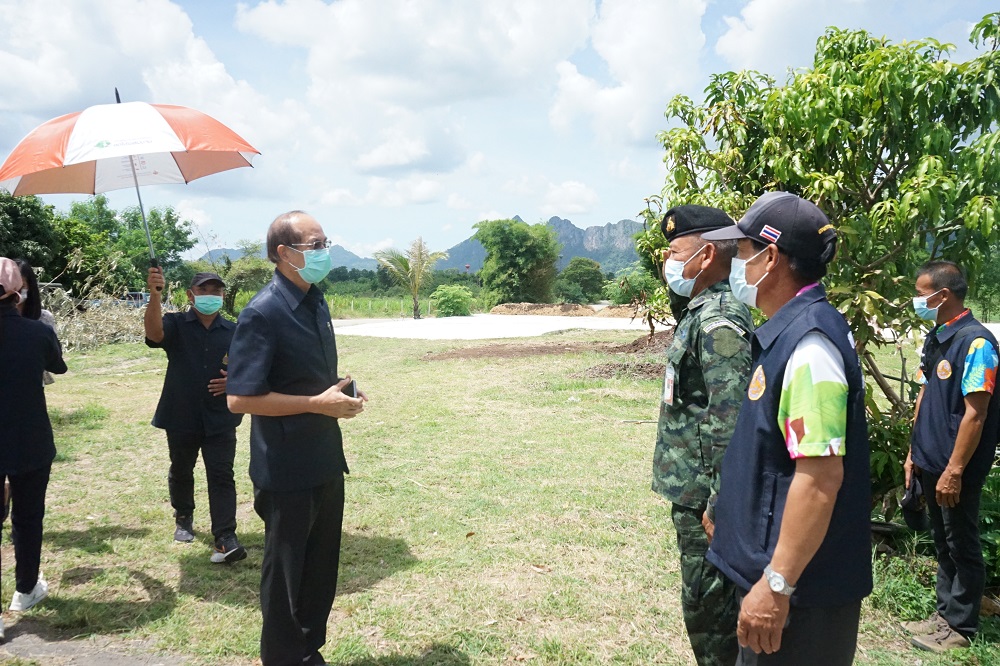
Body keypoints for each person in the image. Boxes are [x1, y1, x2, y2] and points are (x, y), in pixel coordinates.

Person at [701, 192, 872, 665]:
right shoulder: (790, 332)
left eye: (742, 251)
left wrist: (776, 585)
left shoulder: (810, 348)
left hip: (797, 598)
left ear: (771, 257)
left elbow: (819, 478)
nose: (736, 264)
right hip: (778, 579)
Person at [226, 210, 366, 666]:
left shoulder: (315, 300)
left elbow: (308, 378)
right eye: (315, 245)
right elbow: (240, 399)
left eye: (326, 243)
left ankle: (308, 652)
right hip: (285, 467)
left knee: (320, 569)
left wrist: (342, 393)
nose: (324, 252)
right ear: (284, 253)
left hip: (324, 457)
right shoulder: (262, 312)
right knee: (286, 577)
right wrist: (315, 404)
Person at [652, 205, 752, 666]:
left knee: (710, 612)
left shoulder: (719, 322)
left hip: (705, 499)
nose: (668, 262)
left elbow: (730, 419)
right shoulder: (701, 309)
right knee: (705, 605)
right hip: (693, 491)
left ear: (706, 255)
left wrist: (720, 503)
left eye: (674, 253)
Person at [901, 260, 999, 653]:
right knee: (942, 541)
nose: (916, 301)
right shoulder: (938, 337)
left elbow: (976, 414)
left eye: (920, 294)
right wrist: (914, 452)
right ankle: (944, 614)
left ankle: (960, 627)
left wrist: (955, 470)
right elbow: (926, 394)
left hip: (956, 466)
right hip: (930, 459)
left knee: (961, 543)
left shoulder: (976, 344)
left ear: (943, 295)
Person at [144, 268, 246, 563]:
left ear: (223, 295)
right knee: (181, 468)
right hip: (181, 413)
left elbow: (250, 367)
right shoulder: (175, 323)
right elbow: (154, 334)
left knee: (222, 474)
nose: (210, 296)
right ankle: (183, 516)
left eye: (216, 291)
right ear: (191, 295)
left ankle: (225, 535)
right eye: (203, 290)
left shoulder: (235, 331)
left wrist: (234, 382)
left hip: (220, 416)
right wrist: (154, 295)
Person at [0, 257, 67, 643]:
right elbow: (57, 367)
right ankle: (25, 589)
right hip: (29, 440)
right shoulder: (37, 332)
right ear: (18, 293)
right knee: (27, 518)